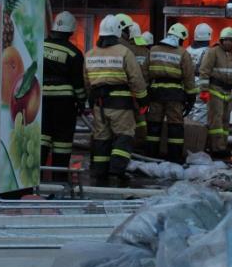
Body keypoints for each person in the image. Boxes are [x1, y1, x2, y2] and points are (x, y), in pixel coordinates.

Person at [84, 15, 149, 182]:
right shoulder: (125, 52)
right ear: (118, 32)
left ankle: (100, 171)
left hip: (99, 105)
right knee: (124, 136)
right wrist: (143, 100)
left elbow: (87, 82)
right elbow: (136, 79)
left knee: (101, 138)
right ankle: (116, 172)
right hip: (121, 105)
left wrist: (90, 101)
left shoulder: (90, 54)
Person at [40, 11, 86, 182]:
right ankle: (58, 181)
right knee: (62, 141)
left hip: (41, 99)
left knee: (41, 137)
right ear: (71, 32)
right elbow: (78, 83)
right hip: (64, 103)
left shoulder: (40, 46)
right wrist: (82, 101)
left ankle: (35, 178)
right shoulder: (74, 53)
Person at [145, 23, 197, 163]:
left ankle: (151, 156)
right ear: (181, 38)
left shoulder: (153, 50)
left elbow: (144, 73)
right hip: (174, 96)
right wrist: (191, 97)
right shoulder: (182, 53)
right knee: (175, 126)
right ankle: (174, 157)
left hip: (155, 93)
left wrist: (144, 94)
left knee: (154, 125)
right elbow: (189, 77)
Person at [199, 27, 232, 158]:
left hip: (228, 93)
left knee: (225, 122)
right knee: (216, 121)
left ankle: (222, 145)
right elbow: (204, 71)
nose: (229, 42)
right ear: (221, 40)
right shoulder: (213, 52)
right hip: (215, 90)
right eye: (226, 40)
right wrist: (204, 91)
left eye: (231, 40)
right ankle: (216, 148)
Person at [116, 14, 150, 141]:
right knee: (140, 118)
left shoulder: (124, 49)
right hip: (140, 89)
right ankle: (141, 141)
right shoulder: (145, 51)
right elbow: (146, 72)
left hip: (125, 90)